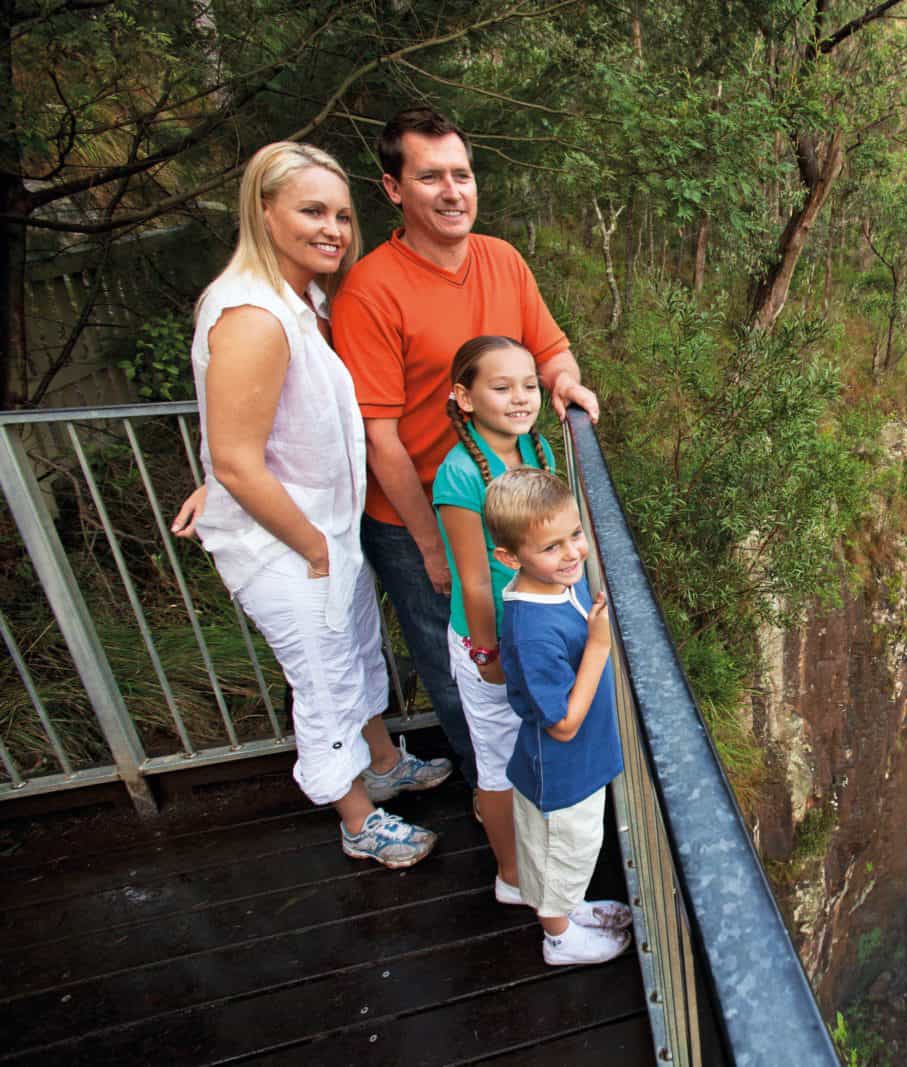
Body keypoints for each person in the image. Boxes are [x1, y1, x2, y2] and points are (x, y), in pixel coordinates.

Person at [187, 141, 452, 867]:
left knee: (355, 655)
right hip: (286, 543)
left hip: (321, 530)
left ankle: (382, 762)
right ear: (263, 211)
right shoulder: (252, 316)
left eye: (340, 213)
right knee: (324, 678)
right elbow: (242, 458)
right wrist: (306, 541)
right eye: (312, 211)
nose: (334, 228)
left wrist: (223, 471)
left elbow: (245, 433)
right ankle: (358, 818)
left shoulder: (297, 300)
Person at [332, 107, 600, 797]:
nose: (453, 192)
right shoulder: (370, 289)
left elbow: (549, 348)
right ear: (394, 189)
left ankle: (544, 780)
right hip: (420, 512)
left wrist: (565, 381)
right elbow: (379, 434)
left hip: (514, 503)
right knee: (459, 661)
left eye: (462, 174)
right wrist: (428, 545)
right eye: (430, 177)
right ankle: (498, 803)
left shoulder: (502, 260)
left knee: (530, 639)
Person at [484, 468, 632, 965]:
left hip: (577, 767)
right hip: (560, 773)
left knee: (569, 855)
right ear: (509, 559)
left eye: (574, 535)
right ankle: (558, 938)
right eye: (552, 547)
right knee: (557, 857)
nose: (571, 553)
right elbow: (562, 723)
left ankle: (571, 911)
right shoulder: (532, 629)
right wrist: (597, 646)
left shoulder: (551, 586)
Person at [434, 335, 559, 904]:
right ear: (464, 397)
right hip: (492, 640)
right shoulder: (459, 475)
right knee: (498, 762)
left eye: (529, 386)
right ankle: (512, 877)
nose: (520, 398)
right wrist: (487, 654)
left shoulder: (537, 450)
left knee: (528, 748)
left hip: (533, 629)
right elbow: (474, 578)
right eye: (501, 387)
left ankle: (539, 861)